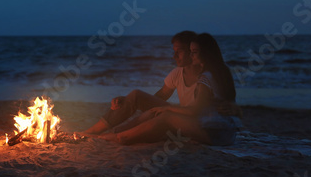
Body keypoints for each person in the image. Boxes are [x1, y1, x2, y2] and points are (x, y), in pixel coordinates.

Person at [96, 33, 242, 145]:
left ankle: (120, 136)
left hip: (214, 132)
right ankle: (114, 133)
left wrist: (167, 109)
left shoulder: (205, 77)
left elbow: (195, 111)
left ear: (206, 53)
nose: (191, 56)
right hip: (226, 133)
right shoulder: (220, 72)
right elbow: (161, 97)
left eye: (194, 52)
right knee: (157, 112)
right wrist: (130, 100)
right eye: (191, 51)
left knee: (165, 116)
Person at [79, 31, 201, 135]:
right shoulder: (177, 73)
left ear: (192, 51)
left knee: (139, 99)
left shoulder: (207, 75)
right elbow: (159, 97)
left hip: (194, 124)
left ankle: (94, 133)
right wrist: (128, 100)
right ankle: (93, 132)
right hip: (180, 117)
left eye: (179, 51)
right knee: (136, 96)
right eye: (174, 51)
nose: (174, 56)